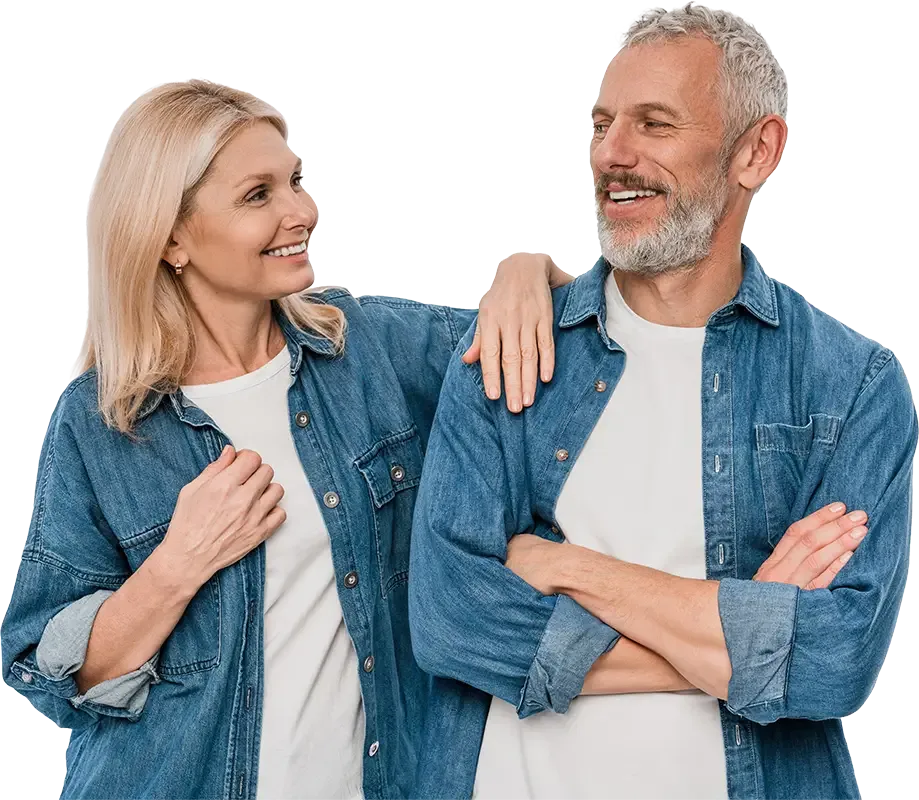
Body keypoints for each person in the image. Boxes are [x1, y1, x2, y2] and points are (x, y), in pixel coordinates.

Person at [0, 78, 571, 800]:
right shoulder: (102, 420)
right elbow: (47, 672)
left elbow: (576, 345)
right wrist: (178, 564)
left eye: (295, 181)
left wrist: (525, 271)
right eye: (257, 195)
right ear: (170, 236)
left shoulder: (371, 350)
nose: (303, 212)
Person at [408, 4, 916, 799]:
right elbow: (449, 620)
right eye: (603, 122)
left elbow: (833, 663)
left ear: (756, 151)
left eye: (654, 124)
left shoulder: (849, 386)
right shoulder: (507, 352)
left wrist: (569, 567)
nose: (612, 154)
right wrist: (741, 629)